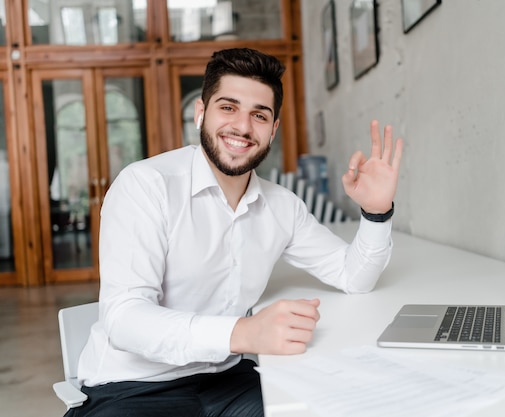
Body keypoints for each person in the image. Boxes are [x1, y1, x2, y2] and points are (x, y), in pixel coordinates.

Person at [67, 47, 403, 417]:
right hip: (134, 388)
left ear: (273, 129)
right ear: (200, 113)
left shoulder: (281, 206)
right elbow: (124, 319)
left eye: (259, 115)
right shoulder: (146, 185)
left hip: (229, 380)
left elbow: (352, 276)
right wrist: (243, 333)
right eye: (228, 107)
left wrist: (375, 211)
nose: (243, 127)